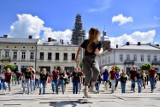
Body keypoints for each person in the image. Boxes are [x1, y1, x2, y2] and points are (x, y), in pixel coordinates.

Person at [75, 27, 103, 98]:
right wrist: (77, 58)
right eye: (95, 34)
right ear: (92, 34)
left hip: (93, 59)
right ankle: (85, 90)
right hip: (86, 59)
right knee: (88, 75)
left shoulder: (98, 42)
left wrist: (98, 52)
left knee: (97, 71)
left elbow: (101, 49)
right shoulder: (86, 41)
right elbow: (79, 48)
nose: (96, 35)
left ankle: (92, 87)